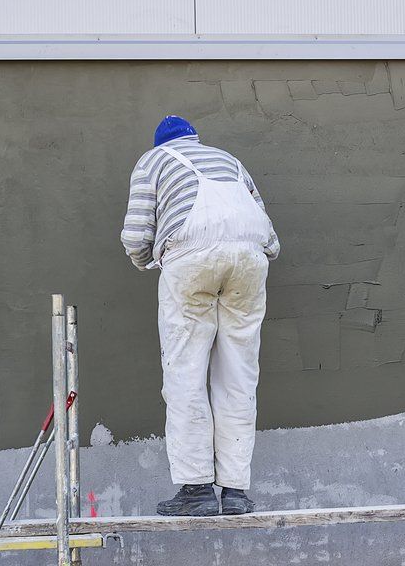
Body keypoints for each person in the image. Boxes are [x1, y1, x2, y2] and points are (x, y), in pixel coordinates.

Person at [121, 116, 279, 515]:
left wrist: (148, 261)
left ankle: (196, 490)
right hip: (250, 259)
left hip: (191, 257)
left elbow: (137, 234)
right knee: (239, 376)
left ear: (160, 144)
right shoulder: (228, 160)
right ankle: (236, 492)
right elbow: (270, 237)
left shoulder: (153, 162)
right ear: (196, 139)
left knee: (185, 374)